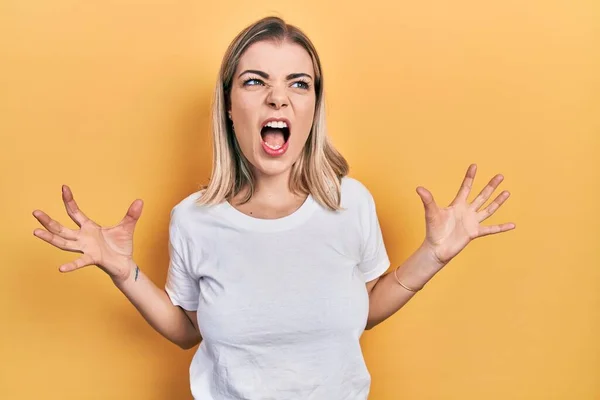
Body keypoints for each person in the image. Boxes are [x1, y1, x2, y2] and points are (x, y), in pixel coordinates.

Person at [31, 16, 515, 400]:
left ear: (313, 106)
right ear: (228, 103)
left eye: (298, 84)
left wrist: (433, 254)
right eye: (255, 81)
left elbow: (361, 311)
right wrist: (122, 270)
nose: (278, 97)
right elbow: (188, 332)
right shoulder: (194, 219)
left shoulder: (350, 204)